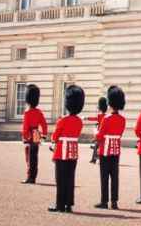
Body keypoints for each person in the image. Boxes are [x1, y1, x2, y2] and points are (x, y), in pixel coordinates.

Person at [48, 85, 85, 213]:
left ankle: (59, 205)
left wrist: (53, 140)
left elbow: (55, 136)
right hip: (73, 152)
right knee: (70, 178)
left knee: (60, 179)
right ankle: (68, 205)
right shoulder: (80, 121)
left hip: (61, 152)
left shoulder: (63, 120)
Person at [96, 85, 126, 210]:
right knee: (115, 177)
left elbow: (99, 136)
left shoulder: (107, 118)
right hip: (116, 150)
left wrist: (95, 131)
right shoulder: (122, 119)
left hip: (105, 150)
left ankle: (104, 201)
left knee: (104, 177)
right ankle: (114, 202)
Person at [21, 84, 47, 185]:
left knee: (29, 157)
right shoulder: (39, 112)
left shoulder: (27, 112)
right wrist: (44, 135)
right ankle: (33, 177)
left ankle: (29, 177)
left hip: (29, 135)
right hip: (36, 134)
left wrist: (25, 137)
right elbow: (44, 124)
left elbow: (25, 127)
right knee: (35, 157)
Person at [86, 97, 107, 164]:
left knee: (96, 146)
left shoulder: (100, 115)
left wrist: (86, 118)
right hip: (105, 133)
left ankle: (94, 159)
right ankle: (95, 159)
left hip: (100, 133)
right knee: (98, 146)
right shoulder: (106, 115)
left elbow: (94, 119)